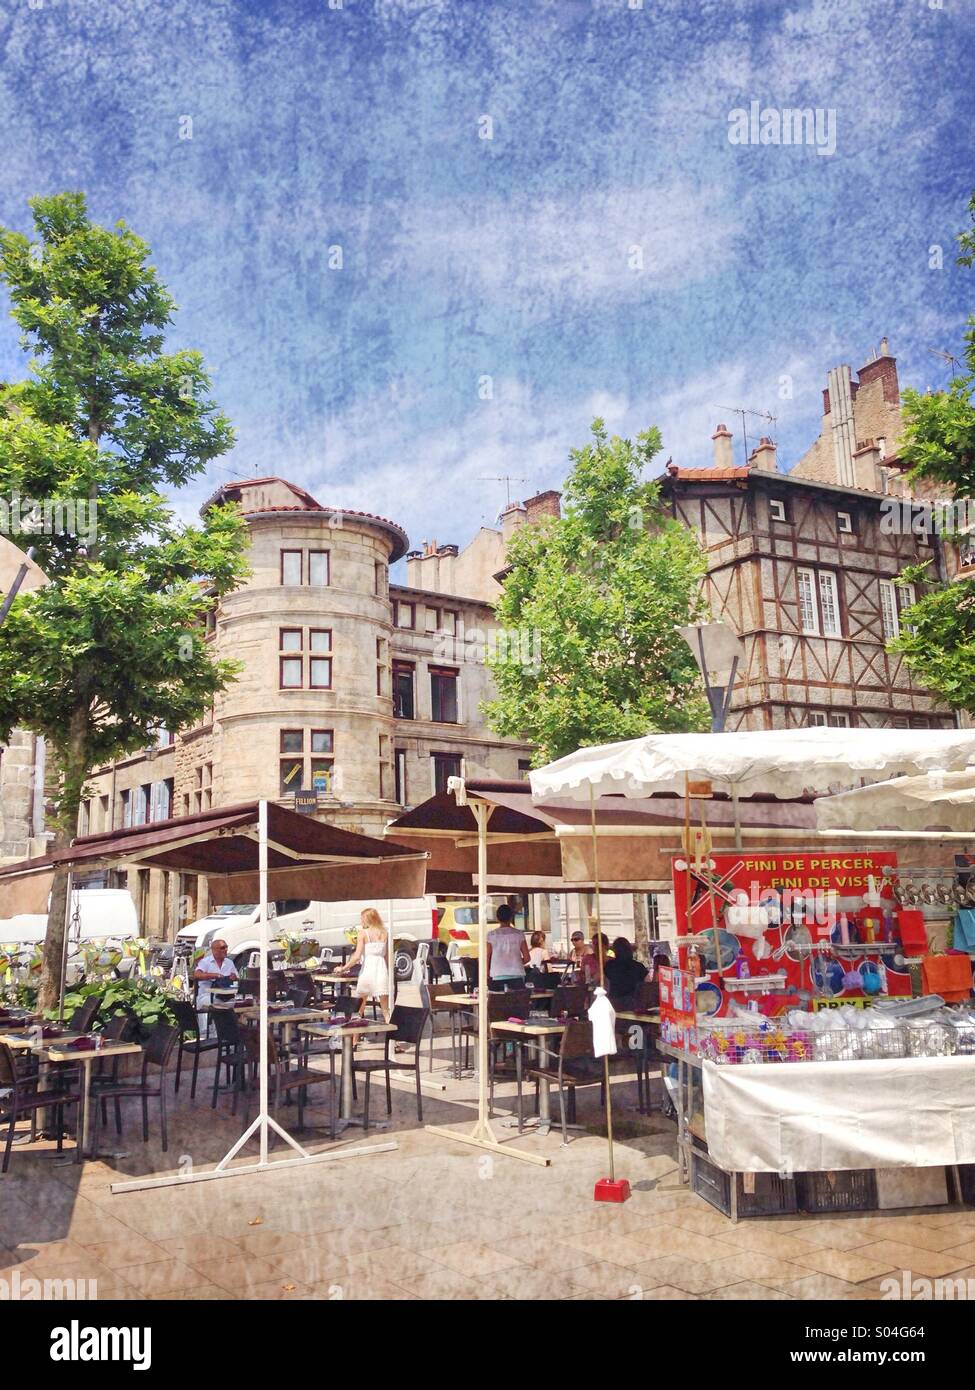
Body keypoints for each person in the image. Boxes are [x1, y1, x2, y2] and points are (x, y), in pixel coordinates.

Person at [337, 907, 391, 1020]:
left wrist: (343, 968)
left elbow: (357, 957)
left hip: (367, 970)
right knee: (385, 1010)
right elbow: (387, 957)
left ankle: (356, 1031)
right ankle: (391, 1031)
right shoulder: (385, 933)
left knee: (359, 1009)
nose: (361, 922)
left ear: (367, 919)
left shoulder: (362, 933)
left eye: (362, 919)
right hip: (381, 970)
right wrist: (388, 973)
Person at [193, 938, 239, 1032]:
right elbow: (197, 975)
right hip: (206, 996)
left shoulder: (229, 962)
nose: (225, 950)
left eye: (226, 947)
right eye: (222, 948)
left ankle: (228, 1032)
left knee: (238, 1004)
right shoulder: (205, 962)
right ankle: (210, 1031)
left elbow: (237, 978)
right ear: (214, 950)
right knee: (219, 1004)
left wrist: (234, 977)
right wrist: (213, 975)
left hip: (226, 996)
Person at [486, 904, 529, 991]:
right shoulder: (519, 934)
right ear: (511, 917)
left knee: (498, 999)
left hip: (497, 974)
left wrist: (487, 972)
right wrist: (516, 962)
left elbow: (487, 957)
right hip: (517, 974)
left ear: (497, 918)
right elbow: (527, 958)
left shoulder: (491, 935)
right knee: (517, 999)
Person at [604, 937, 648, 1007]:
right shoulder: (639, 966)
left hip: (615, 1001)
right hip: (634, 1002)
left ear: (615, 951)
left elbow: (606, 982)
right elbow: (646, 984)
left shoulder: (610, 965)